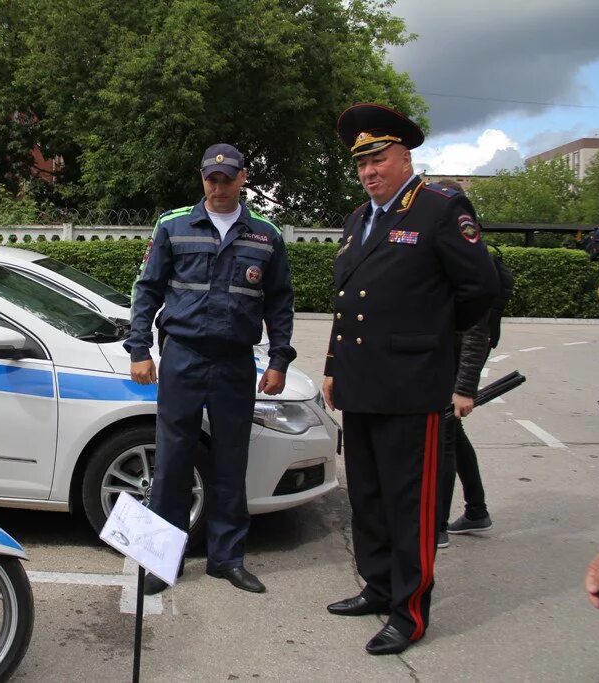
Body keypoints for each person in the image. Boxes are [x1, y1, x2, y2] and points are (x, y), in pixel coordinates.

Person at [322, 104, 499, 655]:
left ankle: (410, 610)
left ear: (405, 156)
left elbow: (483, 290)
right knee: (368, 498)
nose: (370, 171)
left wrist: (433, 343)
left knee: (410, 503)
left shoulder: (440, 209)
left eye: (379, 158)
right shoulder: (357, 220)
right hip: (361, 383)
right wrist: (332, 364)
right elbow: (347, 302)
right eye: (362, 163)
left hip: (411, 384)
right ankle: (377, 587)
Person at [125, 143, 297, 595]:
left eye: (227, 178)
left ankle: (227, 559)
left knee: (230, 462)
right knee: (172, 462)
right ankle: (162, 562)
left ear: (243, 178)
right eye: (210, 179)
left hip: (235, 361)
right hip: (182, 356)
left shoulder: (266, 235)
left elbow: (280, 304)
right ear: (202, 178)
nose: (218, 187)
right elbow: (147, 291)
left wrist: (279, 360)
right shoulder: (174, 225)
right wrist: (139, 349)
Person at [433, 179, 493, 548]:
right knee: (453, 434)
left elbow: (476, 330)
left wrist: (463, 387)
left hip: (454, 363)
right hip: (441, 358)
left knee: (445, 440)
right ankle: (476, 509)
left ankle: (437, 525)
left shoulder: (468, 252)